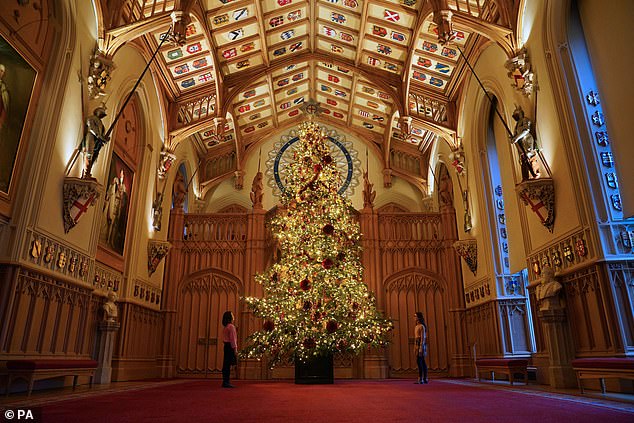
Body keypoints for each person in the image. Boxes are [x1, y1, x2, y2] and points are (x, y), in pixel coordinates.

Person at [510, 106, 540, 180]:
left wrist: (516, 138)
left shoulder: (525, 120)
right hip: (521, 144)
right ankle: (525, 177)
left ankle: (535, 173)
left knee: (530, 156)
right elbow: (515, 135)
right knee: (523, 159)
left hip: (527, 140)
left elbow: (526, 130)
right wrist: (512, 138)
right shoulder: (516, 125)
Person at [82, 104, 109, 178]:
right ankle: (85, 173)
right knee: (89, 153)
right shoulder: (92, 118)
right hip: (91, 136)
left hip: (98, 140)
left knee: (95, 156)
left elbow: (101, 133)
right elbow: (91, 128)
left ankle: (89, 171)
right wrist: (99, 136)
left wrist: (104, 138)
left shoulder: (101, 124)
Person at [221, 311, 238, 388]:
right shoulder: (231, 327)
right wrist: (235, 349)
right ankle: (226, 382)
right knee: (228, 364)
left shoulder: (226, 327)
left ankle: (225, 381)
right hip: (230, 347)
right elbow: (233, 339)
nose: (233, 316)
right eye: (232, 315)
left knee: (226, 364)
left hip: (226, 346)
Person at [414, 311, 428, 384]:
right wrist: (415, 347)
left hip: (420, 344)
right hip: (417, 343)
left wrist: (421, 347)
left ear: (419, 317)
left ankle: (422, 378)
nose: (414, 318)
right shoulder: (416, 326)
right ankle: (423, 378)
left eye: (415, 316)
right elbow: (415, 337)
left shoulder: (422, 326)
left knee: (420, 361)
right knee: (421, 361)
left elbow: (423, 337)